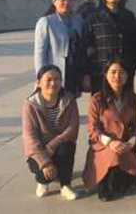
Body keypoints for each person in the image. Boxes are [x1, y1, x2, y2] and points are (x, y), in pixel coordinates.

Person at [82, 60, 136, 201]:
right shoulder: (97, 99)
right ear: (106, 75)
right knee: (112, 161)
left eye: (121, 72)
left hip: (125, 145)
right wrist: (110, 142)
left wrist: (131, 142)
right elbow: (92, 128)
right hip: (103, 145)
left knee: (122, 178)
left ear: (127, 76)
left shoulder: (134, 99)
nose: (117, 76)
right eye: (113, 72)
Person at [21, 65, 80, 200]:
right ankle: (43, 182)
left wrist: (52, 146)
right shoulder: (30, 105)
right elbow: (30, 137)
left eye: (57, 79)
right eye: (48, 79)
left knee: (67, 148)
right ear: (38, 82)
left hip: (60, 146)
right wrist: (45, 163)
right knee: (44, 172)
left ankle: (65, 185)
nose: (53, 83)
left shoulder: (69, 100)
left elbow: (72, 129)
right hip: (39, 149)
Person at [80, 0, 136, 94]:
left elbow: (135, 44)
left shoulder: (129, 16)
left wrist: (132, 65)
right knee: (100, 102)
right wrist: (85, 73)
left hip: (124, 71)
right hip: (100, 71)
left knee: (125, 102)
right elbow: (83, 47)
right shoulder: (93, 17)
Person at [34, 0, 84, 94]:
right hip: (54, 73)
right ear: (54, 1)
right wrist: (42, 76)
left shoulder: (78, 21)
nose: (67, 2)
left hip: (74, 71)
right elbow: (40, 53)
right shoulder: (46, 22)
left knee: (70, 100)